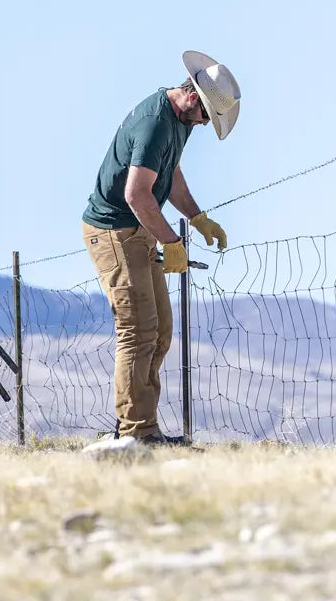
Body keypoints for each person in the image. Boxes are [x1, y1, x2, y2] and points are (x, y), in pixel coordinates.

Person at [81, 51, 241, 444]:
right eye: (206, 116)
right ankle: (137, 432)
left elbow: (169, 175)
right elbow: (136, 194)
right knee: (137, 332)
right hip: (116, 231)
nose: (204, 125)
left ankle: (138, 427)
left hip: (140, 228)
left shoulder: (179, 122)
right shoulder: (155, 123)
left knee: (161, 331)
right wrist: (171, 241)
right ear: (192, 98)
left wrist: (198, 218)